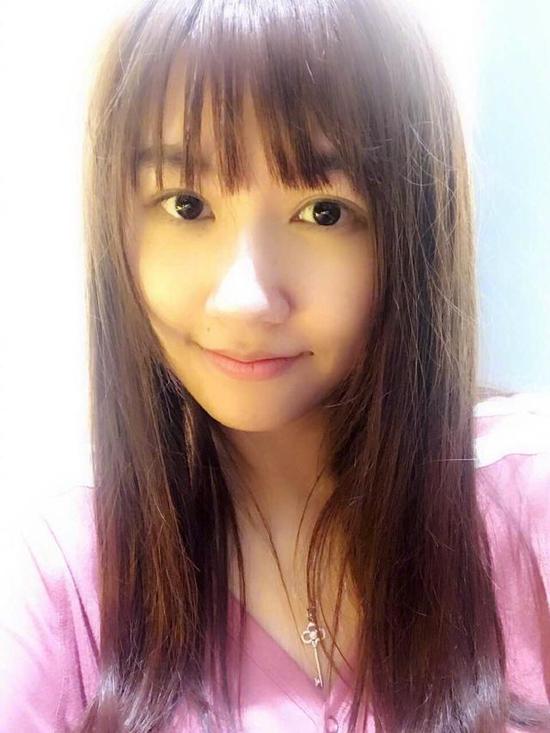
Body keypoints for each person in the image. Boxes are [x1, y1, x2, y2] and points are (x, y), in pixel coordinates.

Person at [1, 0, 549, 731]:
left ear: (411, 234)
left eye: (324, 211)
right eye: (186, 205)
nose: (245, 300)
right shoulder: (64, 575)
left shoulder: (525, 499)